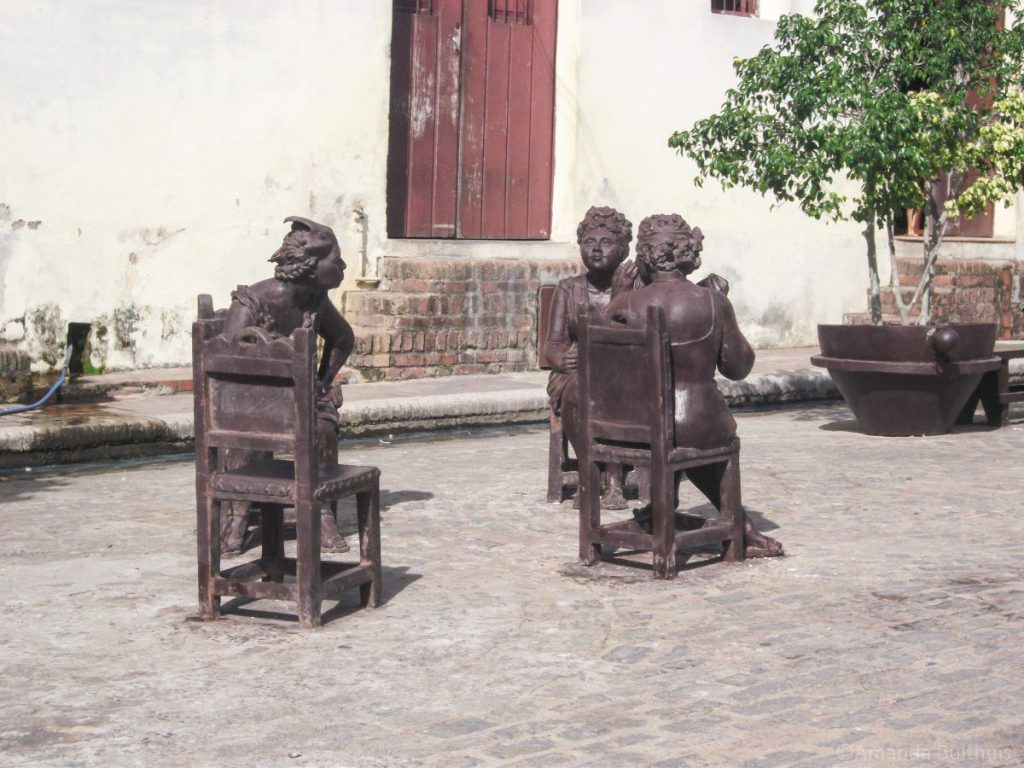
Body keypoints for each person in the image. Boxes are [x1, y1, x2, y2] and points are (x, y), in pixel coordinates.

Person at [569, 213, 783, 557]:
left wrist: (617, 299)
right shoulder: (712, 301)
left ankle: (663, 514)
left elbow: (601, 368)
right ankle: (738, 526)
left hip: (630, 426)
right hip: (696, 422)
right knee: (697, 437)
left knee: (673, 435)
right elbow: (739, 368)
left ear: (643, 257)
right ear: (689, 256)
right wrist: (723, 306)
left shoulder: (625, 304)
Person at [219, 216, 355, 555]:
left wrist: (323, 381)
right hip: (249, 400)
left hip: (301, 399)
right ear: (309, 266)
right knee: (251, 430)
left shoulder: (316, 300)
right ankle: (238, 513)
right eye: (335, 262)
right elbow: (228, 358)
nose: (342, 266)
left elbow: (343, 337)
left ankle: (319, 509)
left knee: (322, 427)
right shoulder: (252, 302)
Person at [545, 206, 635, 508]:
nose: (596, 249)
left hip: (622, 375)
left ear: (623, 249)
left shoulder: (636, 288)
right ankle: (589, 473)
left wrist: (621, 294)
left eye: (606, 242)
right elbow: (553, 344)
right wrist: (560, 359)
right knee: (577, 394)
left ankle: (612, 479)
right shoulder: (568, 289)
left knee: (618, 393)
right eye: (589, 241)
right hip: (576, 374)